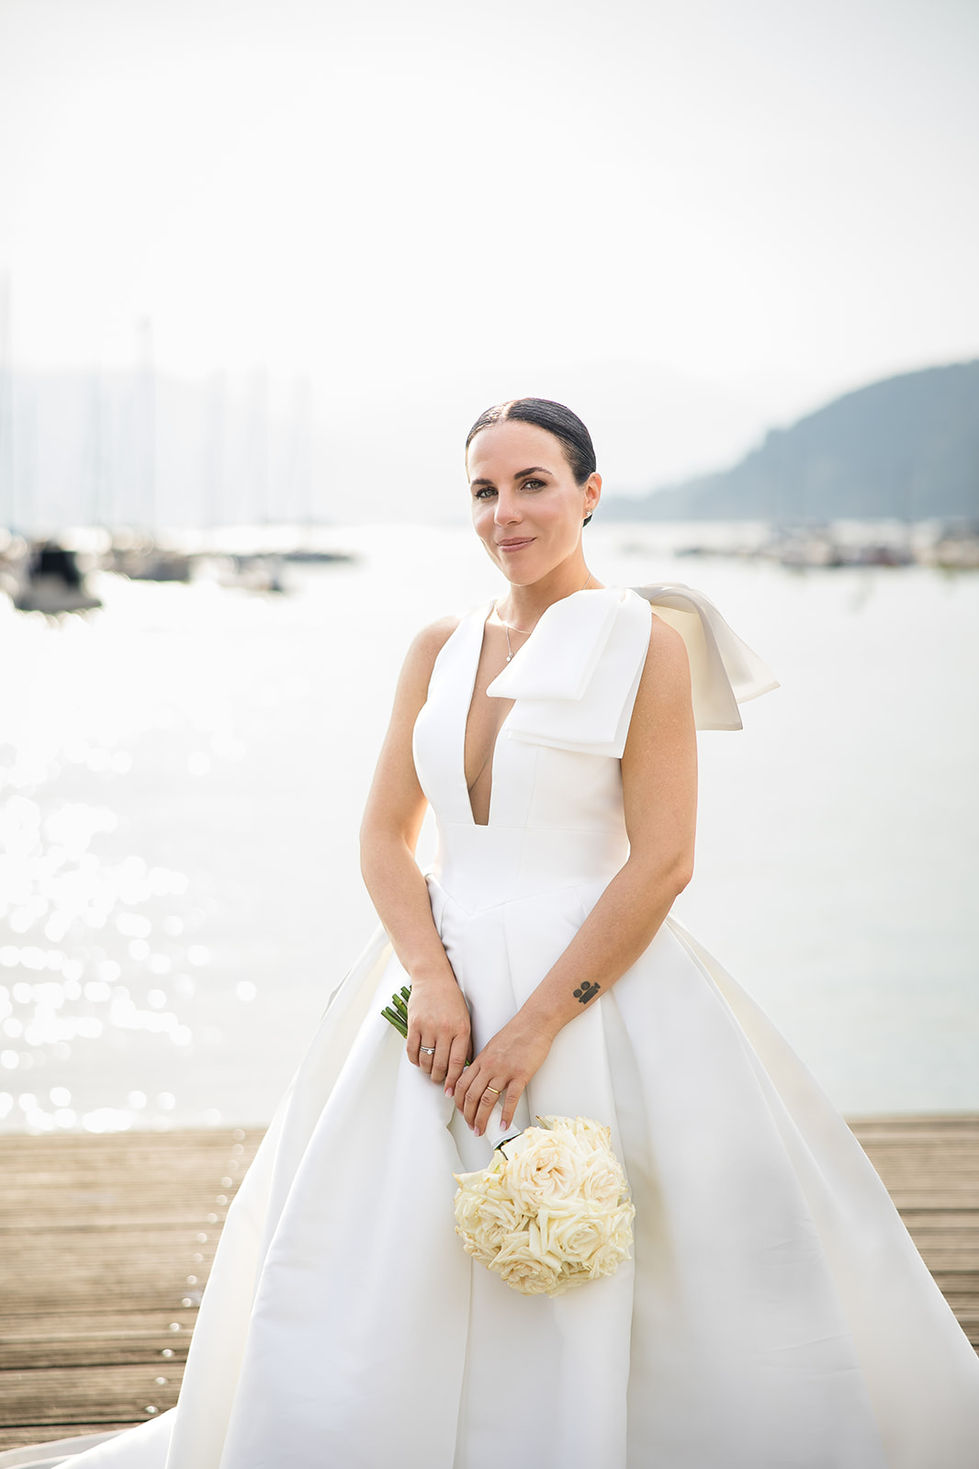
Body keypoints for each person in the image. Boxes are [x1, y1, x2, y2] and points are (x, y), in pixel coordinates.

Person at [6, 398, 979, 1469]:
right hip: (435, 992)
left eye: (532, 484)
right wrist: (430, 977)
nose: (504, 511)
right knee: (373, 1256)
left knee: (644, 1267)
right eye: (483, 489)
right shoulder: (437, 644)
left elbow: (663, 861)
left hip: (591, 988)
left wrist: (531, 1029)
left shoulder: (646, 644)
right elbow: (384, 836)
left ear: (589, 493)